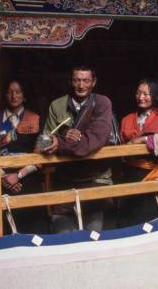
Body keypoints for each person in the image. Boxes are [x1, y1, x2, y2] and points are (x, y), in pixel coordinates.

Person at [39, 66, 113, 233]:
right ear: (70, 81)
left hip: (94, 179)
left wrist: (60, 141)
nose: (81, 85)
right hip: (64, 179)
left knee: (92, 239)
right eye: (76, 80)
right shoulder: (57, 105)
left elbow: (92, 142)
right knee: (62, 238)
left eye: (86, 80)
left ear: (93, 82)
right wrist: (64, 136)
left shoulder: (102, 103)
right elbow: (42, 143)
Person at [119, 79, 158, 227]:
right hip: (130, 175)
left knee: (153, 221)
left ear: (155, 96)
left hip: (156, 174)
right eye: (138, 93)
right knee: (129, 223)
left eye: (146, 94)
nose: (141, 97)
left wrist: (142, 140)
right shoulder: (126, 119)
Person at [0, 79, 47, 233]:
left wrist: (18, 175)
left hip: (29, 179)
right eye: (10, 91)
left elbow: (41, 154)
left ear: (24, 96)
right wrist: (3, 177)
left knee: (34, 231)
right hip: (0, 181)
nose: (14, 96)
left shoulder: (36, 118)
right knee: (5, 231)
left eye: (18, 92)